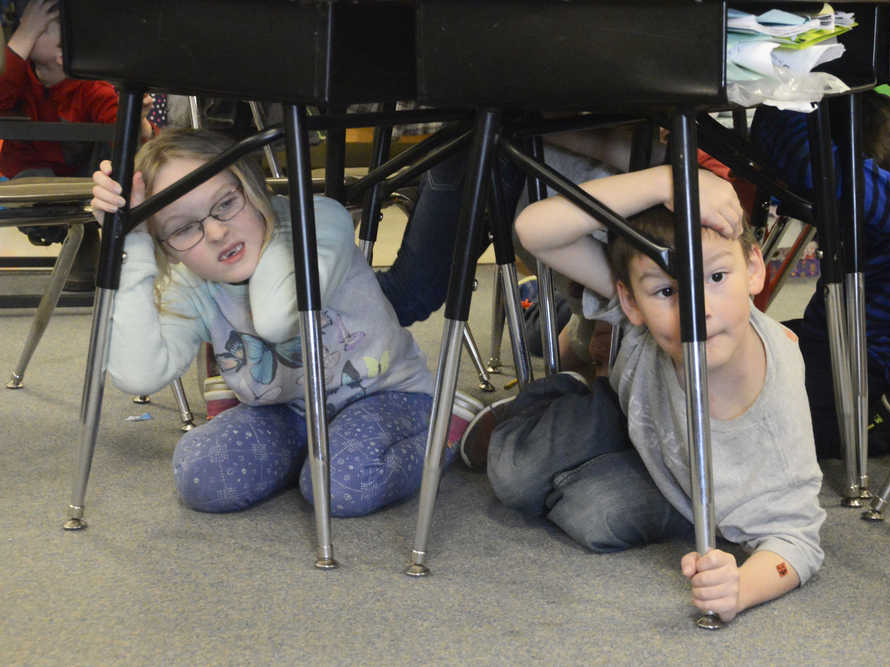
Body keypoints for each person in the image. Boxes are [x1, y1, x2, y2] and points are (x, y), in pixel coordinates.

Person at [460, 164, 825, 623]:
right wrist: (669, 181)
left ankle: (570, 457)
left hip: (679, 483)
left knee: (599, 518)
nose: (697, 311)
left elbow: (800, 542)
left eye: (715, 278)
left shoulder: (776, 411)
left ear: (754, 270)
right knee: (515, 474)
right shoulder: (642, 309)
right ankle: (562, 395)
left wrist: (741, 589)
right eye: (668, 291)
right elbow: (533, 230)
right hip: (621, 410)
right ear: (631, 302)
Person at [89, 128, 457, 517]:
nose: (215, 232)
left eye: (226, 203)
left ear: (253, 187)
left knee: (340, 487)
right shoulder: (191, 281)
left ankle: (450, 429)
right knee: (202, 475)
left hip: (389, 395)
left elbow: (280, 319)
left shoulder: (318, 218)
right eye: (183, 228)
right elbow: (138, 375)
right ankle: (315, 455)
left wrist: (261, 209)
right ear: (166, 248)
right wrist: (130, 242)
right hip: (290, 411)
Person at [750, 91, 890, 458]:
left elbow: (810, 162)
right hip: (881, 356)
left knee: (745, 404)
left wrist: (779, 95)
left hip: (877, 388)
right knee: (752, 348)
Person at [1, 0, 155, 290]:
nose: (26, 32)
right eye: (25, 27)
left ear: (64, 51)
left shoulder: (92, 88)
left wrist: (139, 119)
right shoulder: (18, 79)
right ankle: (80, 238)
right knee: (36, 184)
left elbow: (139, 143)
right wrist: (24, 35)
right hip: (35, 185)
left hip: (89, 183)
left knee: (122, 146)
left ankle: (88, 233)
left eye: (39, 29)